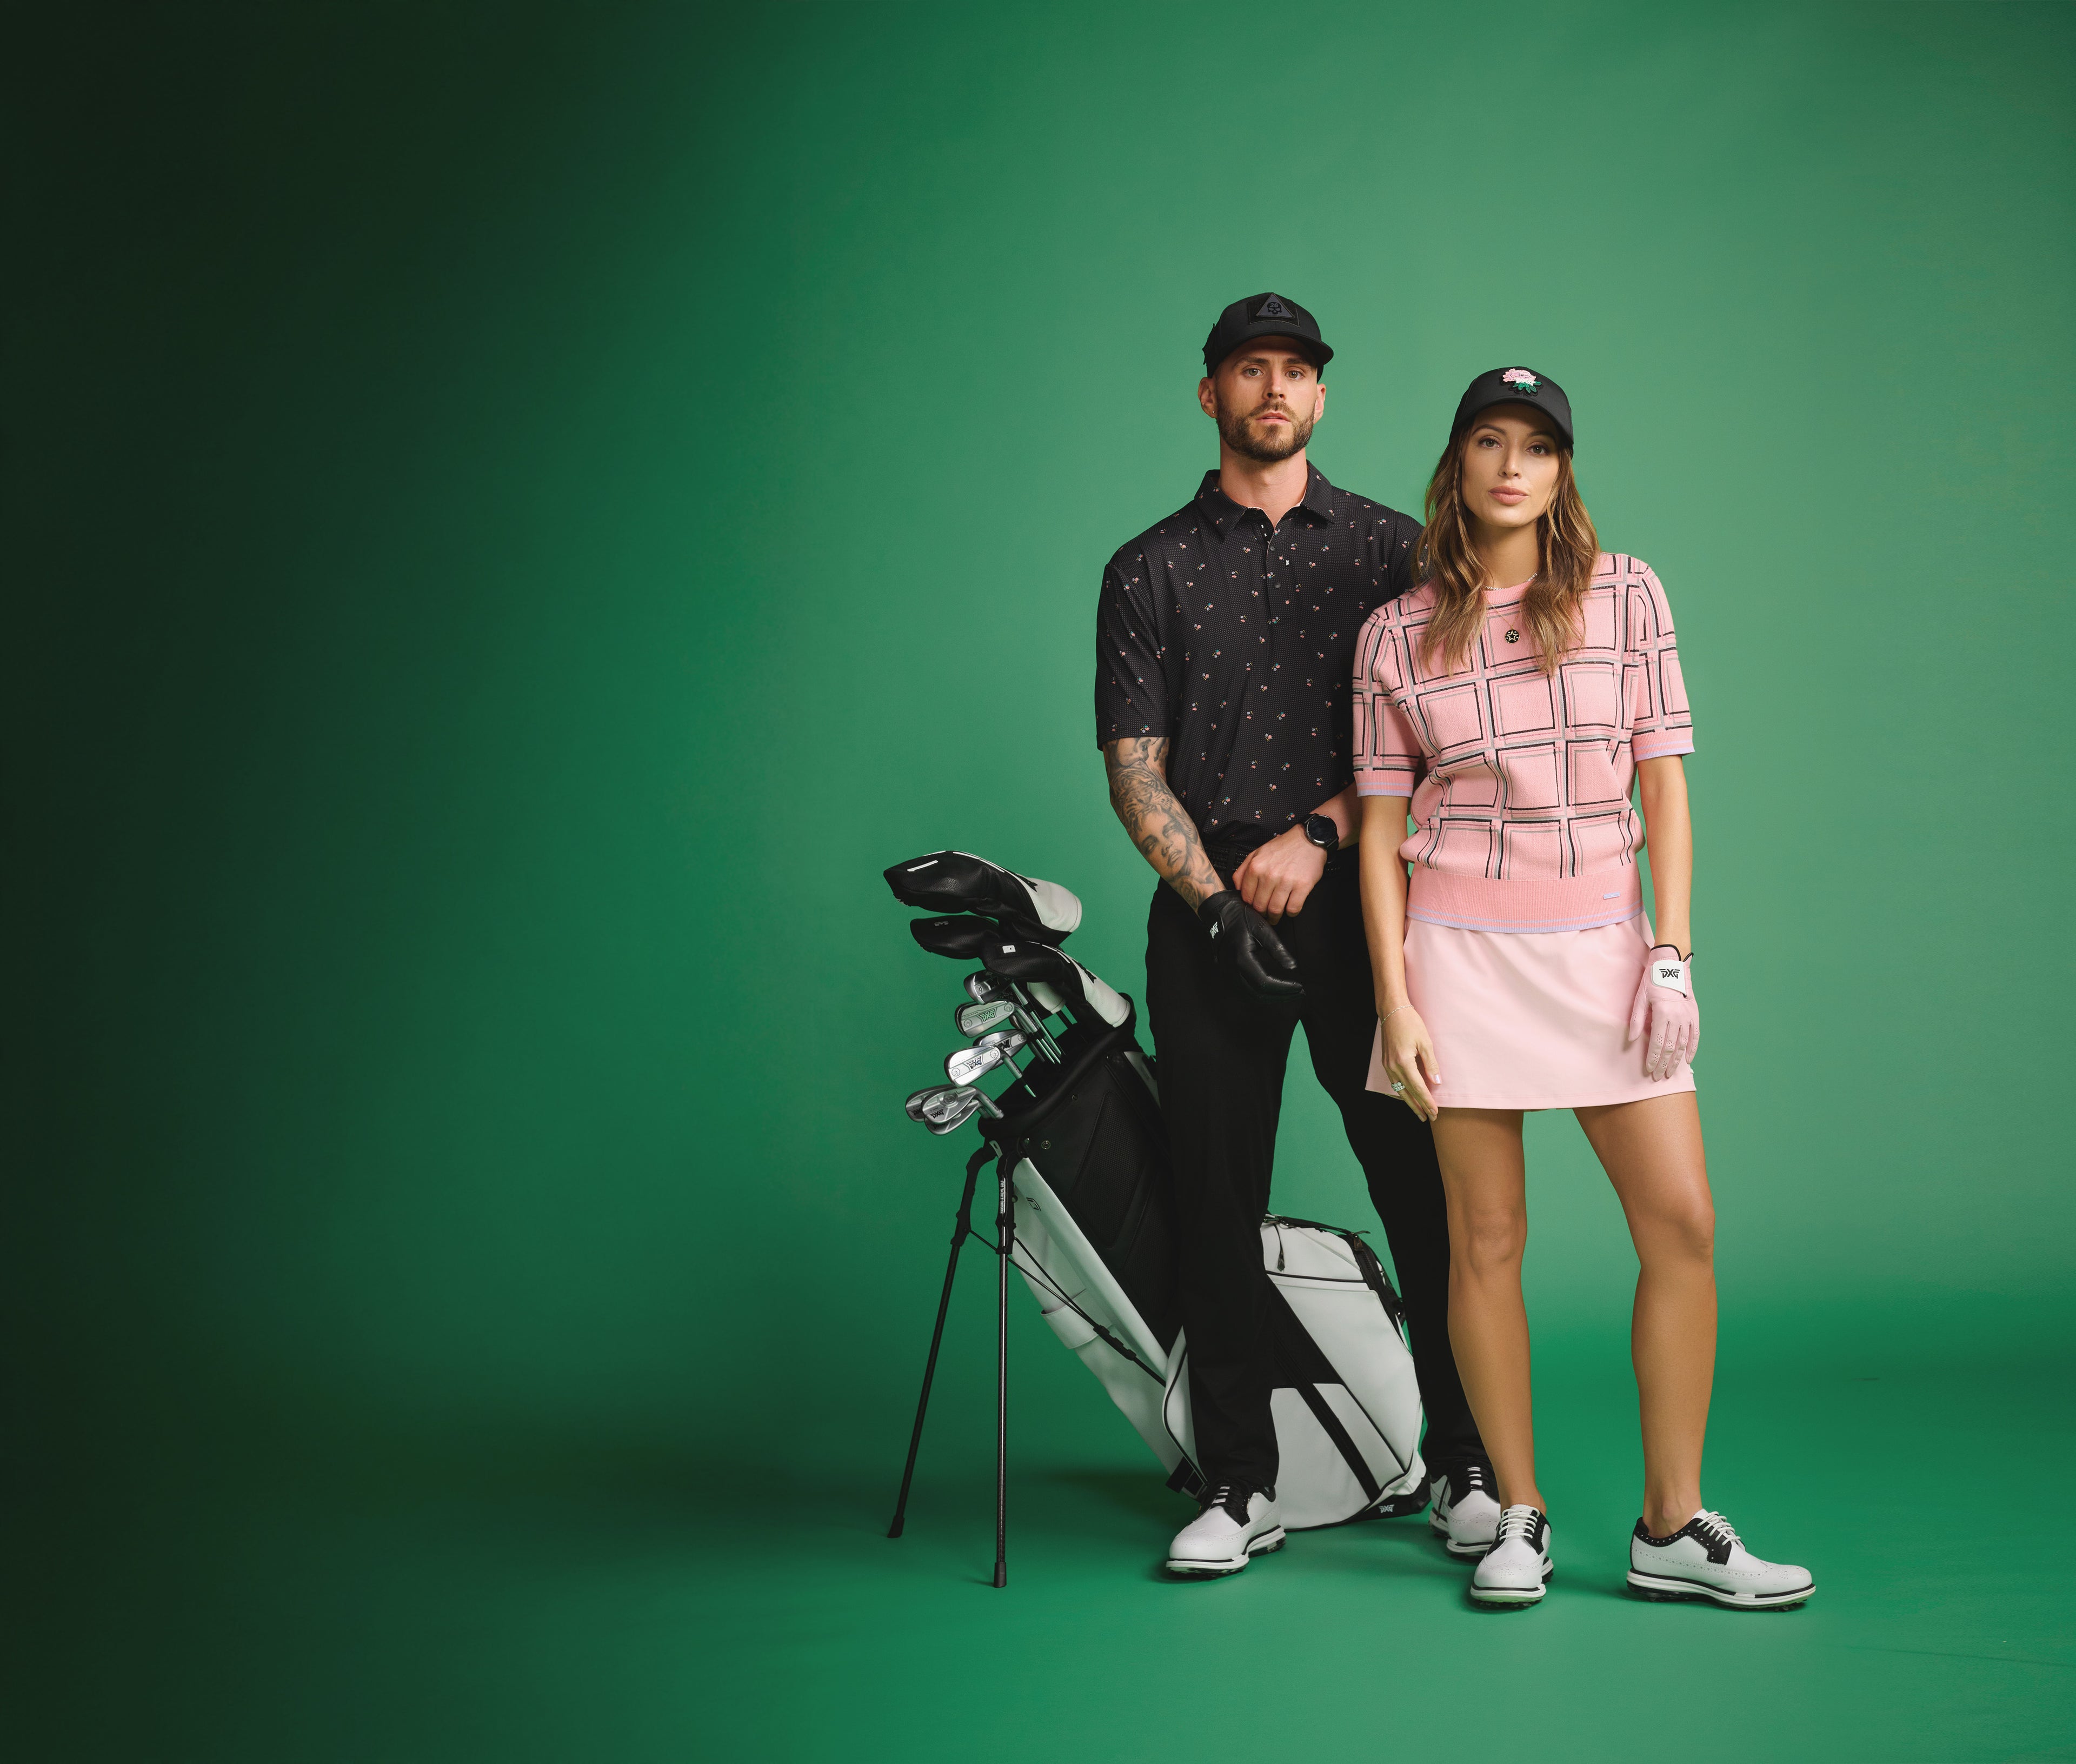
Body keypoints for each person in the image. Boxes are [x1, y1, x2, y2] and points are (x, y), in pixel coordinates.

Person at [1352, 366, 1814, 1610]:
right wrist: (1396, 1000)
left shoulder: (1628, 593)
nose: (1514, 467)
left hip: (1608, 949)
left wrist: (1672, 951)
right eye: (1490, 442)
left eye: (1539, 447)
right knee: (1484, 1240)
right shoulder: (1394, 633)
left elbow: (1665, 783)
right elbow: (1383, 829)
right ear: (1457, 463)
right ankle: (1521, 1512)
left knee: (1683, 1225)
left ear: (1563, 470)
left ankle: (1672, 1525)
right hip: (1457, 956)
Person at [1096, 293, 1493, 1578]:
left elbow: (1439, 748)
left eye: (1297, 370)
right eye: (1250, 368)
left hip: (1368, 907)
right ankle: (1239, 1482)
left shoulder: (1393, 553)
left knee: (1424, 1188)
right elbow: (1135, 768)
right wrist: (1215, 903)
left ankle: (1470, 1465)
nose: (1276, 388)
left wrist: (1316, 836)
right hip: (1208, 919)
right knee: (1213, 1202)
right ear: (1210, 394)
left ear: (1322, 396)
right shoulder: (1147, 569)